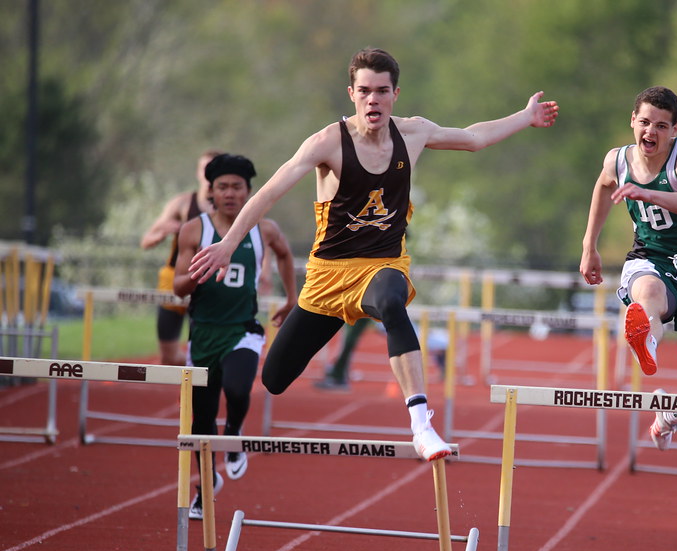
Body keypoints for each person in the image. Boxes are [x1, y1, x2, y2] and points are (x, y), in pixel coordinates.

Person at [188, 48, 558, 461]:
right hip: (328, 277)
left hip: (383, 265)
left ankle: (421, 424)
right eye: (364, 91)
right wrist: (228, 243)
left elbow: (474, 139)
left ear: (395, 94)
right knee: (274, 378)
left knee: (391, 301)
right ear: (351, 93)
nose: (373, 100)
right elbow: (270, 192)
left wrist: (525, 116)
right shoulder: (328, 142)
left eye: (382, 91)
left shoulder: (413, 133)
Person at [579, 86, 677, 450]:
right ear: (633, 121)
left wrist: (647, 193)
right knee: (649, 292)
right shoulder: (618, 161)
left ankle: (671, 410)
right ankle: (647, 337)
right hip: (650, 258)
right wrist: (589, 246)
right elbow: (603, 187)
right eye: (645, 123)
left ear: (675, 129)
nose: (651, 132)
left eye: (661, 126)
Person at [174, 153, 297, 519]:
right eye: (222, 187)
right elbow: (178, 288)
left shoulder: (263, 229)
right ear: (211, 191)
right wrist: (201, 270)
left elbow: (285, 255)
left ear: (249, 191)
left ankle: (234, 433)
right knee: (201, 420)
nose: (229, 194)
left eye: (237, 187)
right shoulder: (194, 230)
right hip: (203, 334)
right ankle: (206, 485)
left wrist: (292, 298)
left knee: (238, 388)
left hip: (243, 330)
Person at [141, 149, 223, 365]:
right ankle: (191, 368)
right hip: (174, 278)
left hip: (210, 281)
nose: (208, 174)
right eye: (205, 169)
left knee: (207, 353)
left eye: (214, 168)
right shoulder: (182, 204)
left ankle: (201, 371)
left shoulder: (230, 209)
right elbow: (146, 240)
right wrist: (162, 233)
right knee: (168, 358)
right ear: (198, 172)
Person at [315, 317, 372, 390]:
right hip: (354, 315)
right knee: (346, 343)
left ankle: (339, 377)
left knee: (348, 343)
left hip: (357, 316)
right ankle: (338, 374)